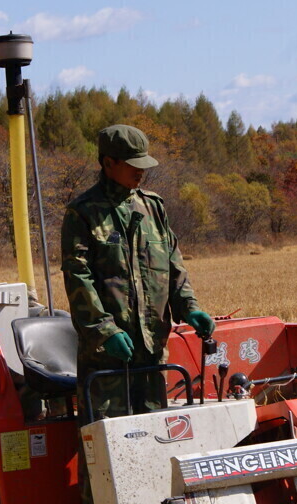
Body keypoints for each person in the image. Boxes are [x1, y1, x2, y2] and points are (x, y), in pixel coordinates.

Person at [61, 124, 215, 421]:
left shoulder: (152, 208)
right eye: (133, 165)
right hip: (107, 359)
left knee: (157, 440)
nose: (140, 172)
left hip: (152, 354)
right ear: (108, 163)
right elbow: (78, 278)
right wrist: (106, 332)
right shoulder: (83, 213)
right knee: (107, 448)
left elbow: (173, 265)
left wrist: (189, 307)